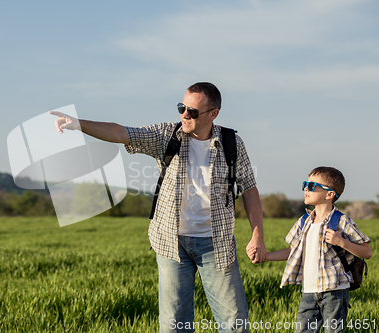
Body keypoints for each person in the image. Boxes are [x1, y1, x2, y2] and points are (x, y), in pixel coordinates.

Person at [50, 82, 266, 333]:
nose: (185, 114)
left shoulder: (232, 143)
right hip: (170, 243)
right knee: (174, 325)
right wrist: (79, 124)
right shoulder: (165, 135)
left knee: (235, 324)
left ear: (213, 114)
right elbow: (123, 133)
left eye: (193, 111)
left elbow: (249, 189)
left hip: (216, 244)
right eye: (181, 107)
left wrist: (257, 235)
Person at [248, 166, 372, 333]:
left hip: (334, 291)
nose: (306, 188)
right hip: (308, 291)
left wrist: (341, 242)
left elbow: (367, 252)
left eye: (312, 186)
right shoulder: (304, 221)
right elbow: (292, 251)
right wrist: (265, 256)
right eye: (305, 184)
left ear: (329, 194)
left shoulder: (342, 221)